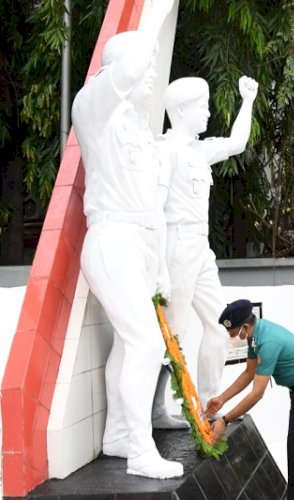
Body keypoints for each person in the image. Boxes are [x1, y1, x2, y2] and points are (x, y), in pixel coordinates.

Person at [71, 0, 183, 479]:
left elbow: (152, 210)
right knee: (144, 343)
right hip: (111, 238)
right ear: (117, 70)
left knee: (128, 343)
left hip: (138, 243)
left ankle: (119, 434)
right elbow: (133, 65)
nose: (148, 78)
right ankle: (141, 449)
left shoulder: (139, 131)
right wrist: (155, 19)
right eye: (144, 68)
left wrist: (159, 267)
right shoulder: (94, 110)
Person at [150, 75, 258, 426]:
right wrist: (160, 268)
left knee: (218, 326)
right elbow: (155, 208)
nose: (209, 113)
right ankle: (153, 409)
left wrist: (248, 101)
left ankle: (207, 403)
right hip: (176, 245)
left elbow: (237, 143)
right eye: (203, 106)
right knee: (171, 335)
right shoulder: (164, 150)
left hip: (200, 247)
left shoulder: (198, 151)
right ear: (180, 110)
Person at [207, 299, 294, 500]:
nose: (231, 339)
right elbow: (249, 373)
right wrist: (221, 399)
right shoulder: (255, 337)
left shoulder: (266, 342)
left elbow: (257, 393)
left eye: (232, 333)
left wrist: (225, 420)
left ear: (244, 327)